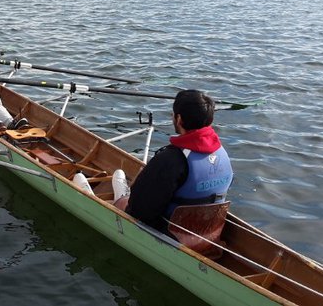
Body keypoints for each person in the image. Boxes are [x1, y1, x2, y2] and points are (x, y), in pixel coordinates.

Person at [79, 90, 233, 233]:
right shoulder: (222, 153)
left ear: (178, 119)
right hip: (208, 228)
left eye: (173, 114)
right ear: (209, 120)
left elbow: (140, 211)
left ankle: (90, 192)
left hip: (172, 232)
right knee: (124, 182)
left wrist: (132, 194)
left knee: (81, 180)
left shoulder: (171, 159)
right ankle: (120, 188)